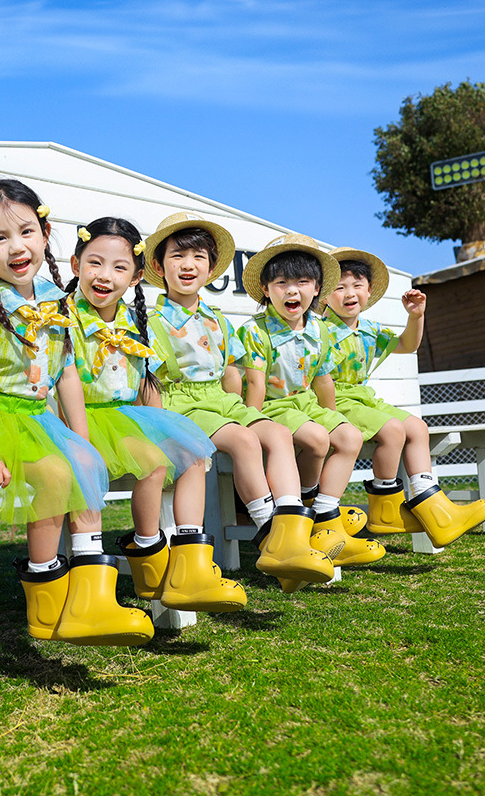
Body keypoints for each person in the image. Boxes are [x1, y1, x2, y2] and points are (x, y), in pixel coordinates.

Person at [0, 180, 153, 646]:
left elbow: (68, 375)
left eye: (25, 232)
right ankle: (45, 600)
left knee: (81, 464)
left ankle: (91, 598)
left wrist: (82, 438)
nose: (15, 247)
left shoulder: (58, 302)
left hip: (40, 416)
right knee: (56, 475)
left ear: (45, 234)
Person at [144, 213, 336, 590]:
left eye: (199, 257)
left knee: (278, 433)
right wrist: (160, 426)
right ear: (157, 265)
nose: (188, 265)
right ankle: (270, 533)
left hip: (222, 404)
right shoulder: (150, 321)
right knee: (246, 441)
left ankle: (291, 534)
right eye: (178, 257)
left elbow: (232, 374)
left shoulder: (219, 320)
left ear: (212, 267)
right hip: (183, 406)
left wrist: (242, 413)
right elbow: (150, 382)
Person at [65, 217, 246, 612]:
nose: (105, 276)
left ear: (134, 277)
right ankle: (144, 552)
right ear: (76, 264)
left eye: (118, 267)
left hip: (126, 415)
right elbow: (63, 382)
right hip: (78, 417)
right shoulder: (65, 317)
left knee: (191, 455)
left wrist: (163, 427)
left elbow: (146, 378)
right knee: (137, 465)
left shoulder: (136, 320)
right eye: (94, 263)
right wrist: (77, 437)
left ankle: (187, 561)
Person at [239, 234, 385, 574]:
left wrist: (335, 418)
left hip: (308, 405)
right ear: (265, 288)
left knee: (348, 437)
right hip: (276, 407)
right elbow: (256, 385)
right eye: (282, 282)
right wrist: (255, 423)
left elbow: (322, 381)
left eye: (302, 282)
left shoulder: (319, 330)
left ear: (317, 287)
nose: (293, 291)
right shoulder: (255, 331)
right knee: (319, 440)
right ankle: (310, 520)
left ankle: (324, 513)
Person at [323, 246, 485, 544]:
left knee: (417, 427)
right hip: (336, 401)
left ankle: (432, 506)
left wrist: (416, 316)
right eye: (339, 286)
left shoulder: (369, 330)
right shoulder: (320, 330)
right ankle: (385, 506)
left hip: (363, 398)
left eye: (357, 285)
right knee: (394, 429)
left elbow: (407, 345)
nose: (349, 293)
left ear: (369, 291)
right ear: (323, 294)